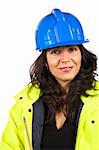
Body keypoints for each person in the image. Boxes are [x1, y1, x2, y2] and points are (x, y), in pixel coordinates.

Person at [0, 8, 99, 150]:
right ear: (45, 61)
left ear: (82, 54)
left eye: (72, 49)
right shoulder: (25, 104)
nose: (65, 59)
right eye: (55, 51)